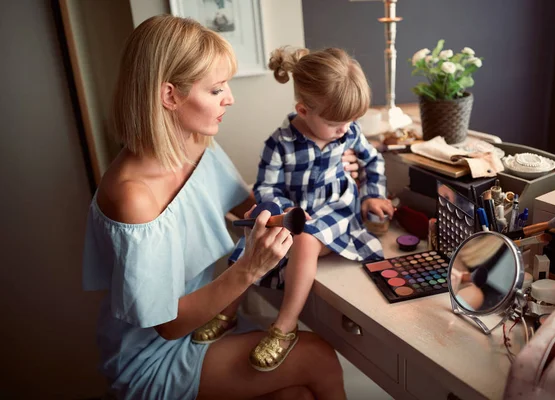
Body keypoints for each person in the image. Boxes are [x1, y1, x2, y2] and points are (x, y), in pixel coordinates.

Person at [82, 15, 357, 400]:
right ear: (170, 96)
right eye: (216, 89)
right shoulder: (133, 197)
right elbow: (167, 325)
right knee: (318, 357)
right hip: (153, 354)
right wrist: (250, 269)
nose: (230, 97)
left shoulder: (195, 143)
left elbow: (251, 205)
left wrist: (316, 179)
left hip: (209, 321)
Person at [224, 46, 395, 372]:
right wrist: (287, 212)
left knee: (304, 239)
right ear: (303, 110)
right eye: (336, 124)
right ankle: (226, 313)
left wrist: (373, 195)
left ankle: (285, 328)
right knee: (249, 245)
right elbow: (266, 188)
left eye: (351, 122)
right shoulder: (280, 143)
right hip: (294, 215)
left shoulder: (348, 133)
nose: (345, 130)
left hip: (337, 213)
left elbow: (373, 160)